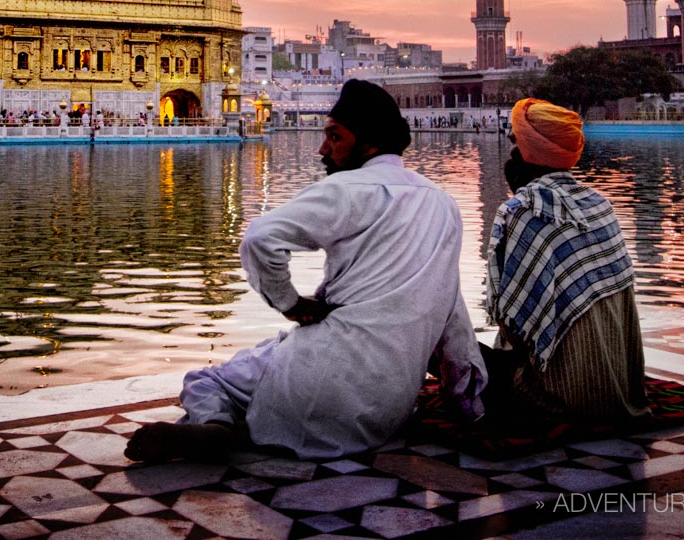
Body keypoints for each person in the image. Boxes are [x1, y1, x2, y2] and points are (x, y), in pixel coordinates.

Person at [126, 79, 485, 462]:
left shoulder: (348, 188)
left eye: (335, 137)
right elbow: (453, 317)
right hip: (386, 411)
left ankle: (218, 426)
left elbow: (259, 239)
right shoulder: (444, 204)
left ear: (370, 143)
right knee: (273, 359)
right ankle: (233, 423)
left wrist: (291, 304)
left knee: (207, 380)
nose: (322, 149)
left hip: (312, 384)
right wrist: (469, 407)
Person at [482, 98, 649, 428]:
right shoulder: (600, 204)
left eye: (515, 142)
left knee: (448, 352)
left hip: (556, 397)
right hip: (621, 392)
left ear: (527, 152)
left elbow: (514, 326)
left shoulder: (520, 210)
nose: (510, 151)